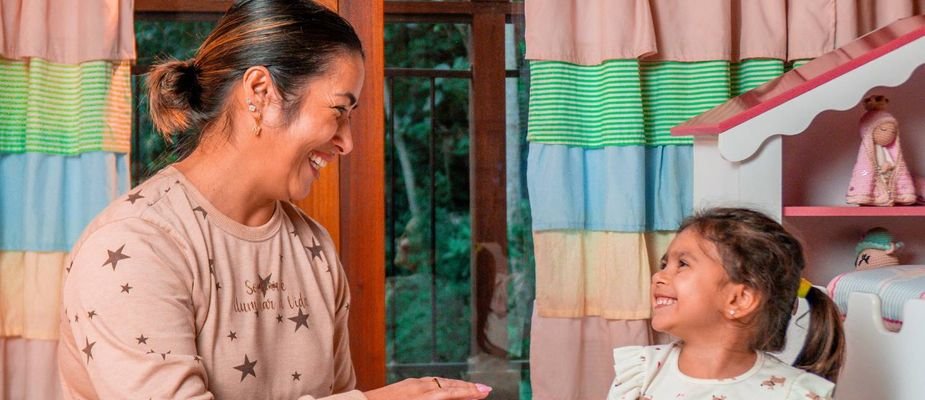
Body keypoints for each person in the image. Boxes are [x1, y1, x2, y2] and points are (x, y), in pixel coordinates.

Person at [57, 1, 492, 399]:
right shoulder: (135, 246)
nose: (347, 143)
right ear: (261, 93)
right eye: (339, 111)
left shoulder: (312, 247)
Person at [607, 208, 845, 400]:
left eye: (683, 264)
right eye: (664, 264)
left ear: (739, 300)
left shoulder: (793, 394)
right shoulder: (641, 373)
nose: (658, 277)